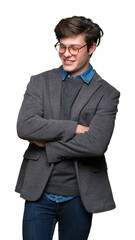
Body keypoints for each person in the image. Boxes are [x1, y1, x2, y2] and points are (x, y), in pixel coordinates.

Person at [15, 16, 120, 240]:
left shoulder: (107, 94)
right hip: (39, 192)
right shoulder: (39, 82)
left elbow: (96, 144)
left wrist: (47, 146)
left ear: (92, 48)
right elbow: (25, 127)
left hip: (79, 196)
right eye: (61, 46)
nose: (66, 53)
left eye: (74, 47)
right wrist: (74, 128)